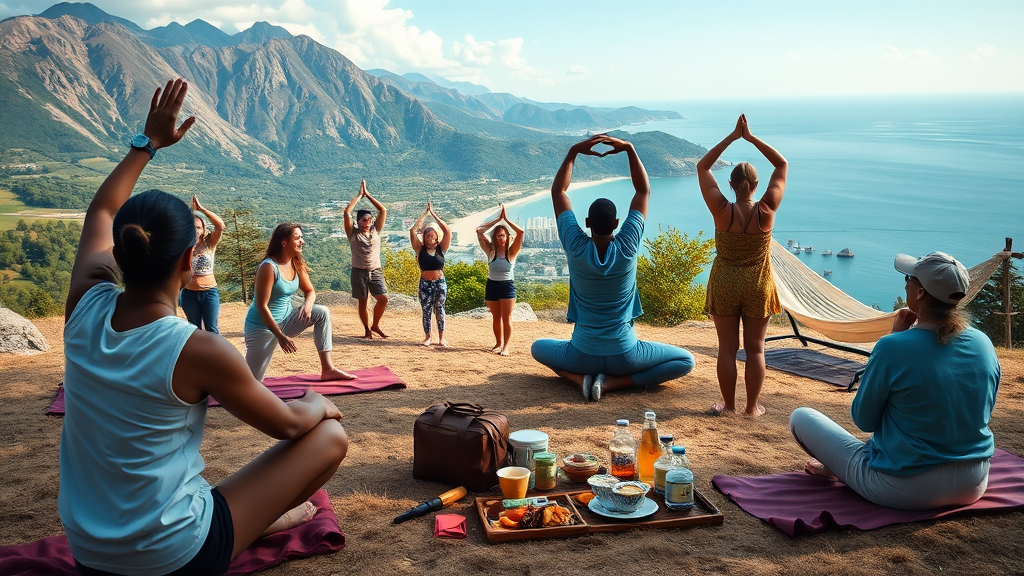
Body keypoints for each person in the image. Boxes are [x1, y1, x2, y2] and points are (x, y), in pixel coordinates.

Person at [59, 78, 348, 576]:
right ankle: (259, 523)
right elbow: (286, 424)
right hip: (173, 553)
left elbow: (101, 210)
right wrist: (319, 402)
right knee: (331, 437)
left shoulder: (85, 305)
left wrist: (145, 145)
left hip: (89, 551)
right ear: (192, 260)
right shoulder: (196, 348)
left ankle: (251, 518)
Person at [791, 252, 999, 510]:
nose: (905, 284)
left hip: (902, 487)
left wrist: (893, 340)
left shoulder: (893, 347)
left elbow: (864, 420)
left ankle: (836, 468)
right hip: (973, 485)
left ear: (920, 293)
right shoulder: (983, 343)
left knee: (800, 417)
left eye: (909, 279)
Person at [530, 134, 696, 402]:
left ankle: (579, 379)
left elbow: (558, 192)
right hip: (625, 354)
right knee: (685, 361)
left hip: (581, 354)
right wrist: (630, 149)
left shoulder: (575, 245)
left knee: (538, 348)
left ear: (586, 221)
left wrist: (573, 151)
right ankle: (614, 385)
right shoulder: (628, 245)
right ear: (618, 222)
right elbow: (643, 192)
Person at [697, 114, 788, 417]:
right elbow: (782, 165)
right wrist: (751, 138)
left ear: (732, 184)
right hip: (758, 284)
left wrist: (732, 137)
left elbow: (702, 167)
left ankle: (729, 405)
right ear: (756, 185)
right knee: (756, 349)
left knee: (726, 348)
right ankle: (751, 408)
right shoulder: (767, 209)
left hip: (724, 281)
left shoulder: (721, 209)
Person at [244, 222, 356, 382]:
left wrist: (307, 306)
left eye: (301, 237)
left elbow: (310, 291)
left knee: (322, 312)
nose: (302, 241)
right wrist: (280, 336)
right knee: (251, 382)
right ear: (284, 242)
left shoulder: (296, 262)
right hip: (263, 327)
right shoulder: (269, 267)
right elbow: (262, 306)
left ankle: (328, 369)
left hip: (288, 320)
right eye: (297, 238)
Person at [343, 180, 389, 339]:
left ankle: (375, 325)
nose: (367, 223)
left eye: (369, 220)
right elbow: (346, 212)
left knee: (383, 298)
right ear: (358, 221)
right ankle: (367, 330)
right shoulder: (353, 233)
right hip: (358, 271)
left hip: (375, 270)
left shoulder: (376, 229)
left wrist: (367, 194)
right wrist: (358, 196)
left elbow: (382, 210)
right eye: (364, 220)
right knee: (362, 301)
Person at [477, 205, 524, 356]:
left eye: (502, 235)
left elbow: (520, 232)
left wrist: (506, 220)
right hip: (492, 285)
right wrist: (497, 220)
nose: (500, 237)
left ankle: (506, 347)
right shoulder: (490, 252)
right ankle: (498, 343)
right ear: (494, 238)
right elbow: (479, 231)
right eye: (497, 235)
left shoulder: (512, 252)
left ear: (507, 237)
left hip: (507, 286)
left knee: (506, 317)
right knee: (496, 317)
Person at [180, 194, 225, 333]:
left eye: (199, 227)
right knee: (194, 328)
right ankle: (199, 354)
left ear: (203, 229)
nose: (196, 229)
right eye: (193, 227)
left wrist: (202, 210)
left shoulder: (209, 243)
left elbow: (220, 225)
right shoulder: (183, 245)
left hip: (209, 292)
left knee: (212, 328)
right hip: (189, 293)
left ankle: (216, 354)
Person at [410, 202, 452, 347]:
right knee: (426, 310)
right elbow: (412, 231)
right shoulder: (419, 248)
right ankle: (428, 336)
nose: (429, 236)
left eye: (432, 234)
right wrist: (425, 215)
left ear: (436, 236)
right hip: (425, 283)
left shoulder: (442, 247)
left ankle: (441, 337)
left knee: (439, 309)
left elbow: (447, 231)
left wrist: (434, 215)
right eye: (427, 234)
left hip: (440, 283)